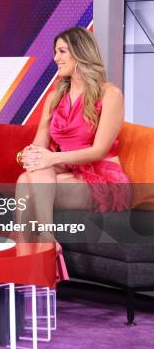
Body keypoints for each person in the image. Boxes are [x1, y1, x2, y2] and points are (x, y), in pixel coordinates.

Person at [15, 27, 131, 278]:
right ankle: (38, 246)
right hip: (71, 172)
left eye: (62, 51)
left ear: (80, 53)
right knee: (27, 176)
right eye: (55, 52)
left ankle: (31, 255)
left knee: (28, 181)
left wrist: (52, 158)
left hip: (104, 179)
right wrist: (31, 154)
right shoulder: (55, 96)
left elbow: (99, 151)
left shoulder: (110, 94)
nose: (56, 58)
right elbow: (40, 146)